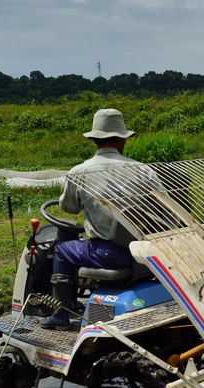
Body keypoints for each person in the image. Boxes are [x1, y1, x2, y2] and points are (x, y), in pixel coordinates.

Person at [40, 108, 160, 329]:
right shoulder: (144, 170)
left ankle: (60, 315)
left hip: (108, 254)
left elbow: (69, 207)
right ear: (120, 140)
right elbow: (161, 206)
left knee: (62, 250)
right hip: (143, 251)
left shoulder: (80, 172)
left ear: (95, 139)